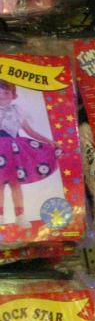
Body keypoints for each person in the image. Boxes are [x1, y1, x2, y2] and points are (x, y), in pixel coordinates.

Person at [0, 80, 60, 229]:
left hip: (15, 152)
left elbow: (30, 131)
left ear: (14, 95)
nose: (2, 95)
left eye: (6, 92)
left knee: (15, 184)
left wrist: (48, 141)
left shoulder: (16, 111)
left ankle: (20, 216)